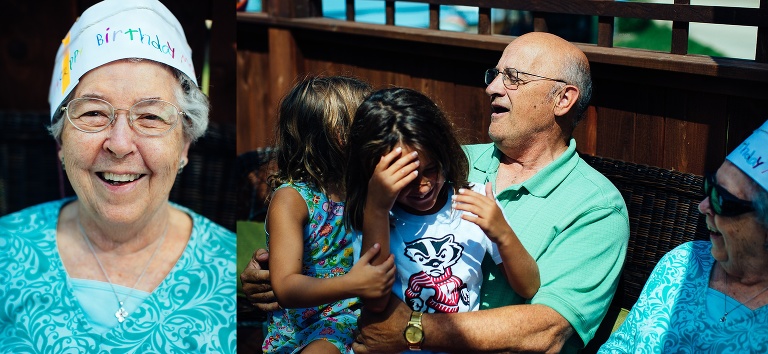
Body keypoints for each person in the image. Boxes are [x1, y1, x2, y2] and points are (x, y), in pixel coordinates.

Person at [241, 32, 630, 353]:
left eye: (513, 77)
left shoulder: (595, 206)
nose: (492, 87)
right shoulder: (451, 160)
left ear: (562, 98)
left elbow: (548, 331)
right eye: (494, 74)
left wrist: (411, 329)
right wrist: (282, 267)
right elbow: (355, 186)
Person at [0, 0, 235, 352]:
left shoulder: (234, 272)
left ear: (185, 143)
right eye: (94, 113)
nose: (120, 144)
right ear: (61, 140)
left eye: (151, 117)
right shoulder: (6, 249)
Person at [345, 87, 540, 351]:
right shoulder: (373, 216)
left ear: (444, 154)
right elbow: (376, 302)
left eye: (431, 169)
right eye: (406, 178)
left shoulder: (474, 202)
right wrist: (377, 210)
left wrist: (502, 233)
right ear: (373, 172)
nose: (423, 186)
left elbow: (528, 286)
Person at [599, 121, 768, 353]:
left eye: (723, 200)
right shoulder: (682, 262)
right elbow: (620, 347)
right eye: (710, 186)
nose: (703, 206)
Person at [261, 76, 396, 354]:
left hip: (364, 318)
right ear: (339, 135)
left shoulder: (369, 187)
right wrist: (353, 284)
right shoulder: (293, 199)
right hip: (309, 327)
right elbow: (285, 286)